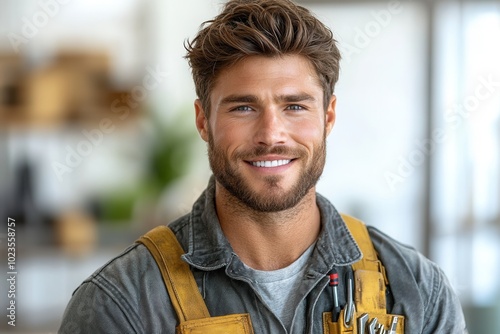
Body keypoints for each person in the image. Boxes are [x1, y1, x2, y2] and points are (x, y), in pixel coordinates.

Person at [59, 0, 467, 333]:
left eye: (294, 106)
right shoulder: (121, 302)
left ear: (328, 117)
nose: (271, 134)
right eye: (243, 107)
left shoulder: (417, 289)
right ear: (203, 120)